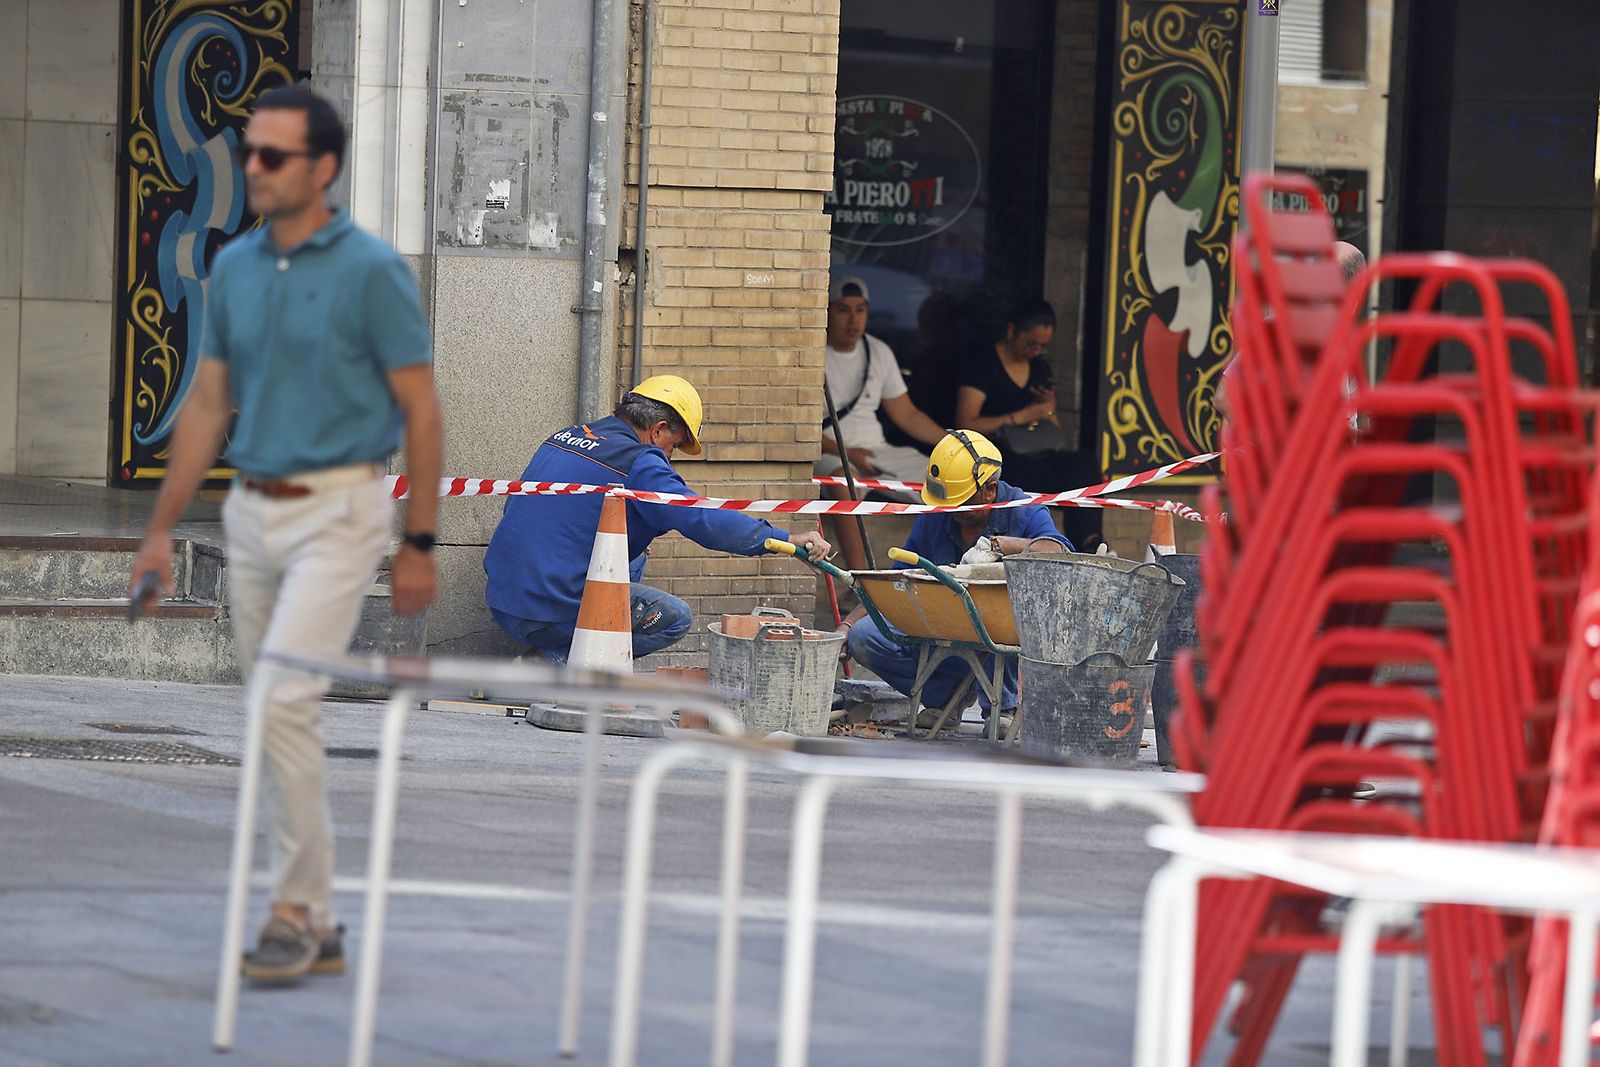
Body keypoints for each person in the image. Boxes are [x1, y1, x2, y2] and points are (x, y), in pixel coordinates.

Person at [128, 85, 444, 983]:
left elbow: (422, 409)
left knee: (282, 700)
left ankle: (293, 912)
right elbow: (206, 403)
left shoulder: (373, 271)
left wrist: (419, 542)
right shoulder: (233, 265)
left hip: (340, 511)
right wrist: (158, 532)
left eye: (272, 155)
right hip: (251, 510)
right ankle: (322, 919)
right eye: (249, 152)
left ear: (323, 168)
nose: (253, 169)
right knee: (272, 711)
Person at [485, 375, 830, 662]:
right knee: (674, 618)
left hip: (503, 596)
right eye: (674, 446)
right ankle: (549, 667)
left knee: (635, 555)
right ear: (659, 429)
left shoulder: (566, 436)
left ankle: (546, 658)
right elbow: (702, 518)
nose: (670, 457)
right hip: (549, 606)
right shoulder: (639, 460)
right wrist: (786, 541)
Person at [841, 431, 1069, 726]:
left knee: (994, 611)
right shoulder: (938, 514)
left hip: (998, 631)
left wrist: (1001, 545)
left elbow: (1058, 551)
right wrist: (847, 625)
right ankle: (945, 697)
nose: (948, 510)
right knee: (864, 637)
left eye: (958, 503)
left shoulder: (1021, 510)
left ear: (989, 490)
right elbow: (895, 581)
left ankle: (1003, 706)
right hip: (941, 626)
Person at [818, 275, 948, 570]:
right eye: (843, 310)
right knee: (842, 481)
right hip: (829, 450)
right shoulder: (813, 354)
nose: (853, 320)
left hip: (876, 448)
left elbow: (907, 415)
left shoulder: (878, 351)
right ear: (827, 311)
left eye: (860, 310)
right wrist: (848, 453)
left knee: (942, 479)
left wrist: (954, 442)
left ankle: (943, 569)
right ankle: (859, 576)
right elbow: (800, 428)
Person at [953, 298, 1103, 549]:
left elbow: (1054, 430)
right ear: (1012, 330)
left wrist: (1048, 407)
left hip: (1036, 454)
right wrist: (1022, 416)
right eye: (1031, 343)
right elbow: (965, 424)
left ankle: (1091, 542)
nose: (1036, 351)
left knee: (1083, 465)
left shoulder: (1039, 367)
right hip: (998, 459)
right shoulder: (983, 363)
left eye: (1043, 346)